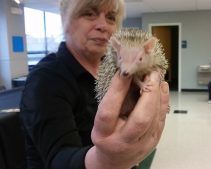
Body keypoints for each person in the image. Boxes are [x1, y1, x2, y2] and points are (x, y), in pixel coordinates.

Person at [19, 0, 170, 169]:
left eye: (111, 18)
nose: (102, 25)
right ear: (65, 20)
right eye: (89, 13)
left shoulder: (115, 66)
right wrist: (106, 160)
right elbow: (58, 158)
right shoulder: (45, 80)